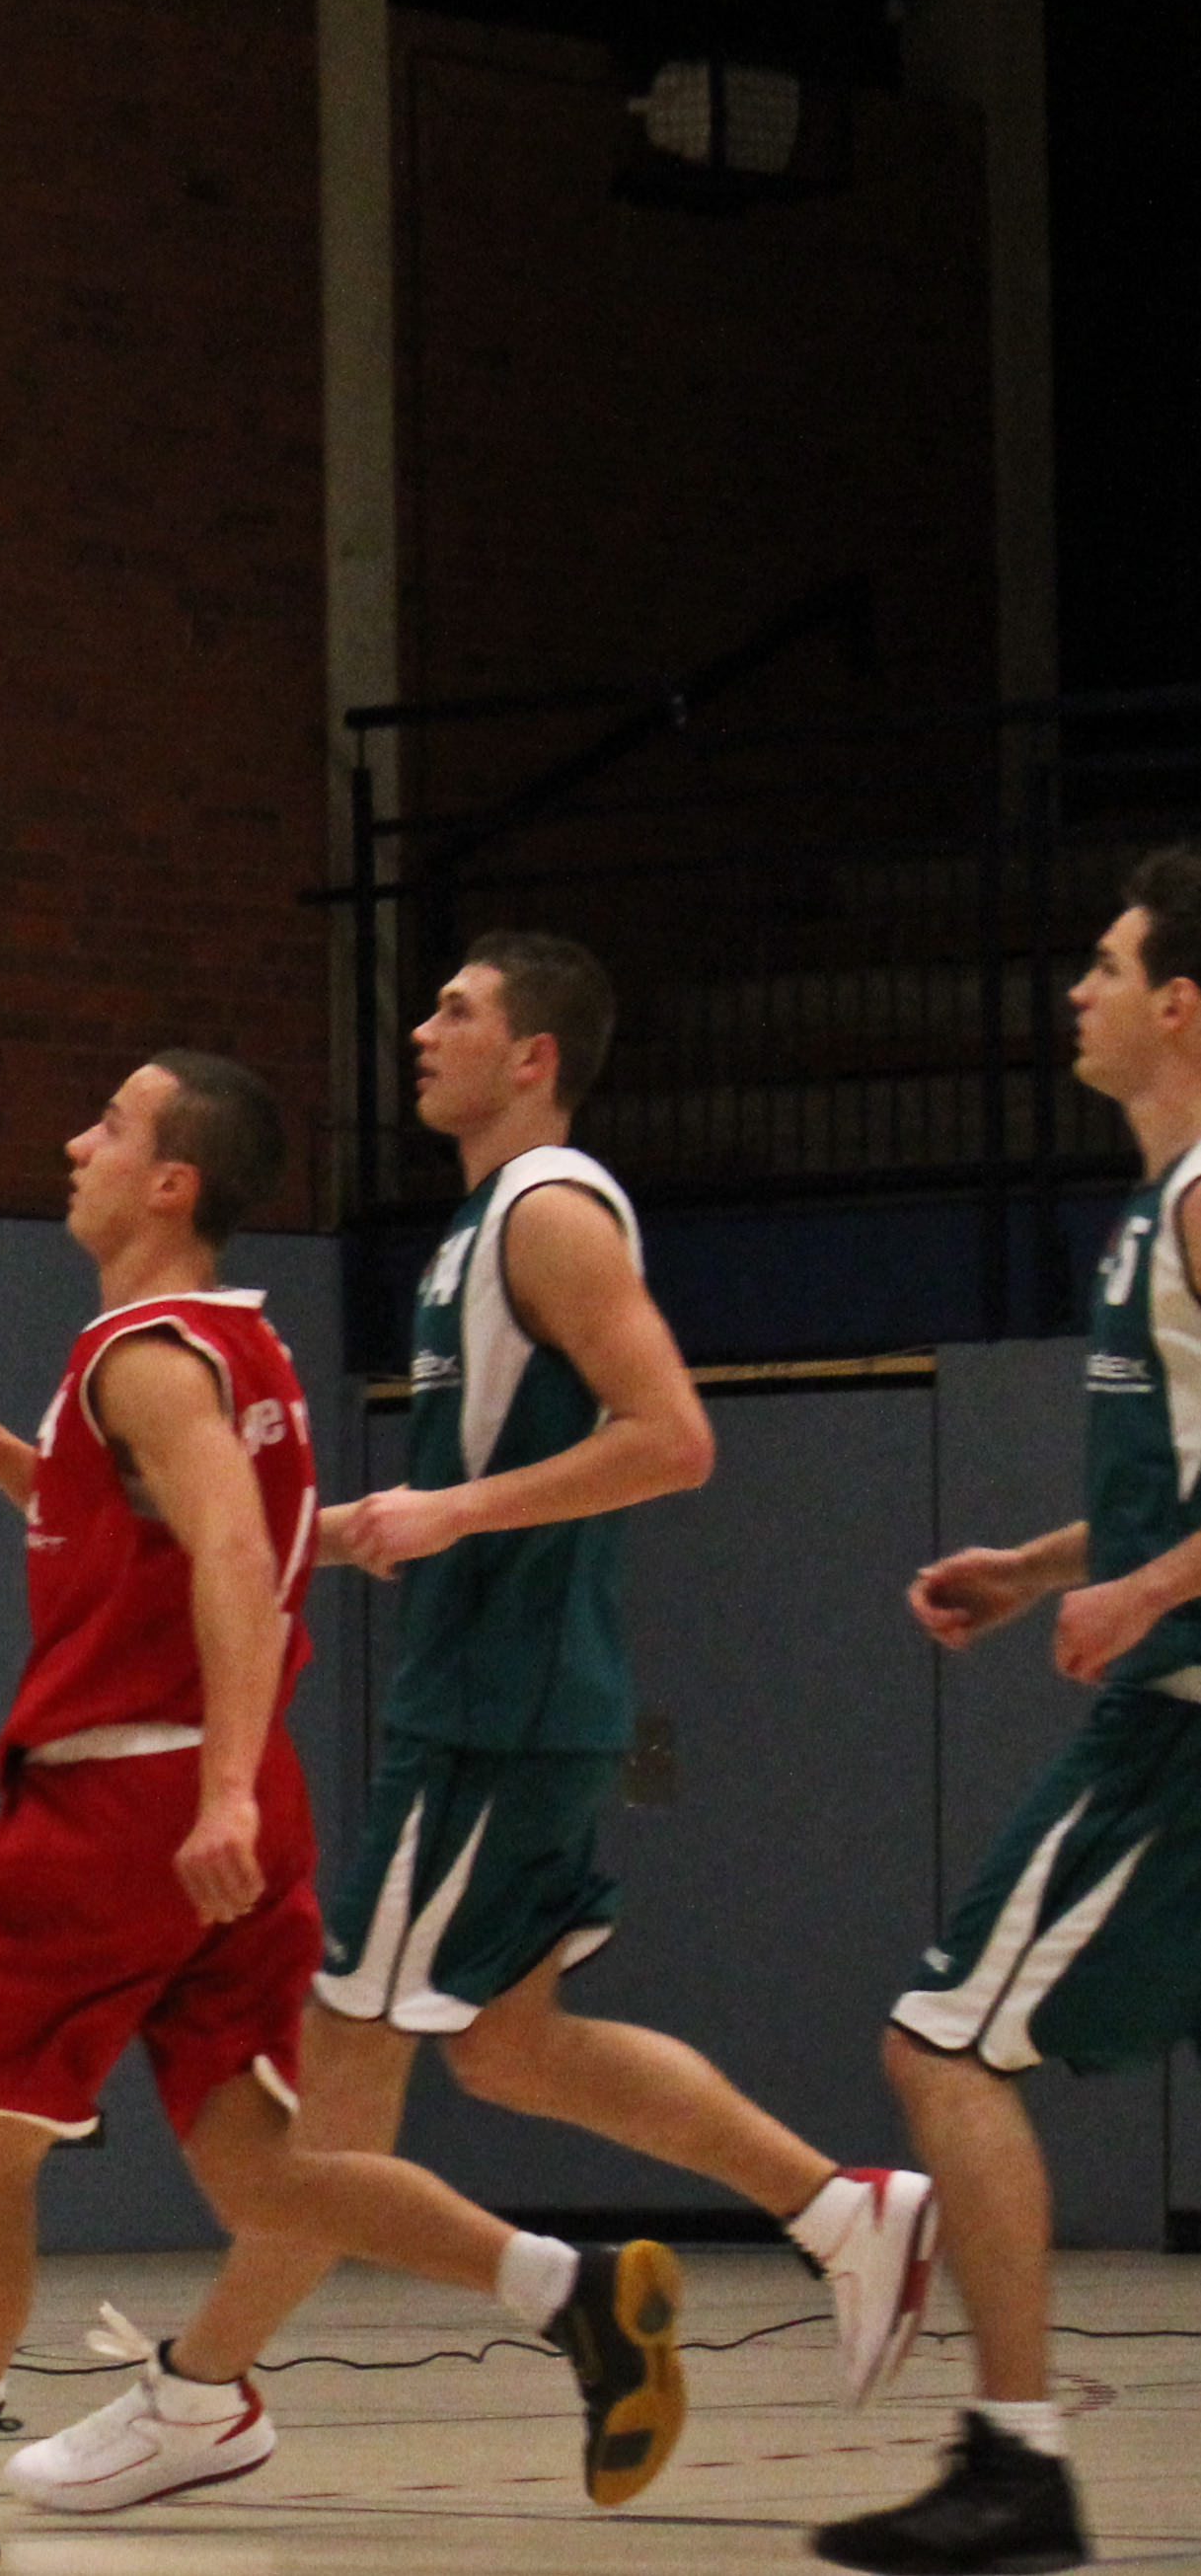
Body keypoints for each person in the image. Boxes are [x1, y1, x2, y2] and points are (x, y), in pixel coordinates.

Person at [15, 938, 935, 2515]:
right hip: (502, 1694)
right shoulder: (474, 1226)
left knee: (335, 2069)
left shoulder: (549, 1209)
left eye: (457, 1008)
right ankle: (839, 2205)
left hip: (493, 1703)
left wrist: (451, 1510)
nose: (423, 1029)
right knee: (510, 2046)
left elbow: (673, 1436)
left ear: (532, 1055)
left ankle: (200, 2391)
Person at [0, 1053, 688, 2572]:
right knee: (260, 2166)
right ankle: (567, 2289)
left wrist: (216, 1789)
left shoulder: (146, 1353)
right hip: (220, 1798)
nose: (78, 1140)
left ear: (170, 1181)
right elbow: (145, 1538)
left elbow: (231, 1567)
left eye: (111, 1123)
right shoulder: (232, 1345)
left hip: (126, 1795)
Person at [812, 850, 1201, 2576]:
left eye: (1104, 965)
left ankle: (1016, 2459)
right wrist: (1046, 1566)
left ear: (1176, 1002)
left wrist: (1145, 1591)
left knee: (941, 2040)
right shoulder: (1152, 1204)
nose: (1074, 990)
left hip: (1177, 1728)